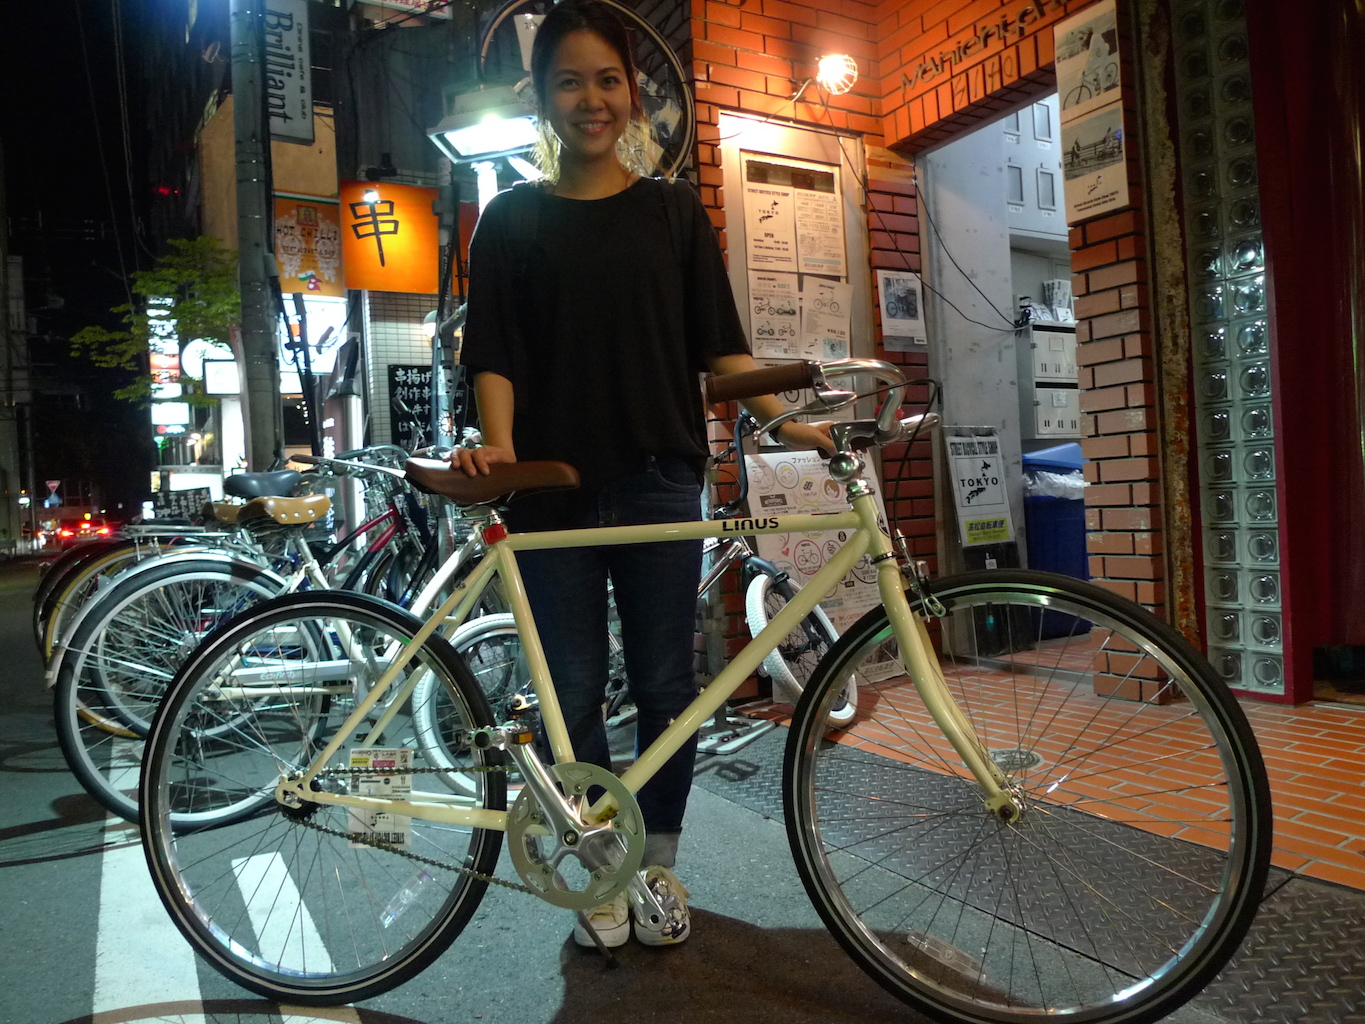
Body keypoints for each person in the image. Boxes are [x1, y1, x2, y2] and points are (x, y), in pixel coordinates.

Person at [454, 0, 830, 950]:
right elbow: (492, 354)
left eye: (607, 79)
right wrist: (499, 448)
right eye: (569, 81)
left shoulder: (671, 212)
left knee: (669, 686)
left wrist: (790, 424)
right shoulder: (510, 219)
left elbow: (722, 352)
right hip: (548, 490)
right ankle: (597, 868)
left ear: (632, 93)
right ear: (542, 98)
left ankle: (653, 860)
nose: (591, 98)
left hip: (661, 477)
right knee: (572, 690)